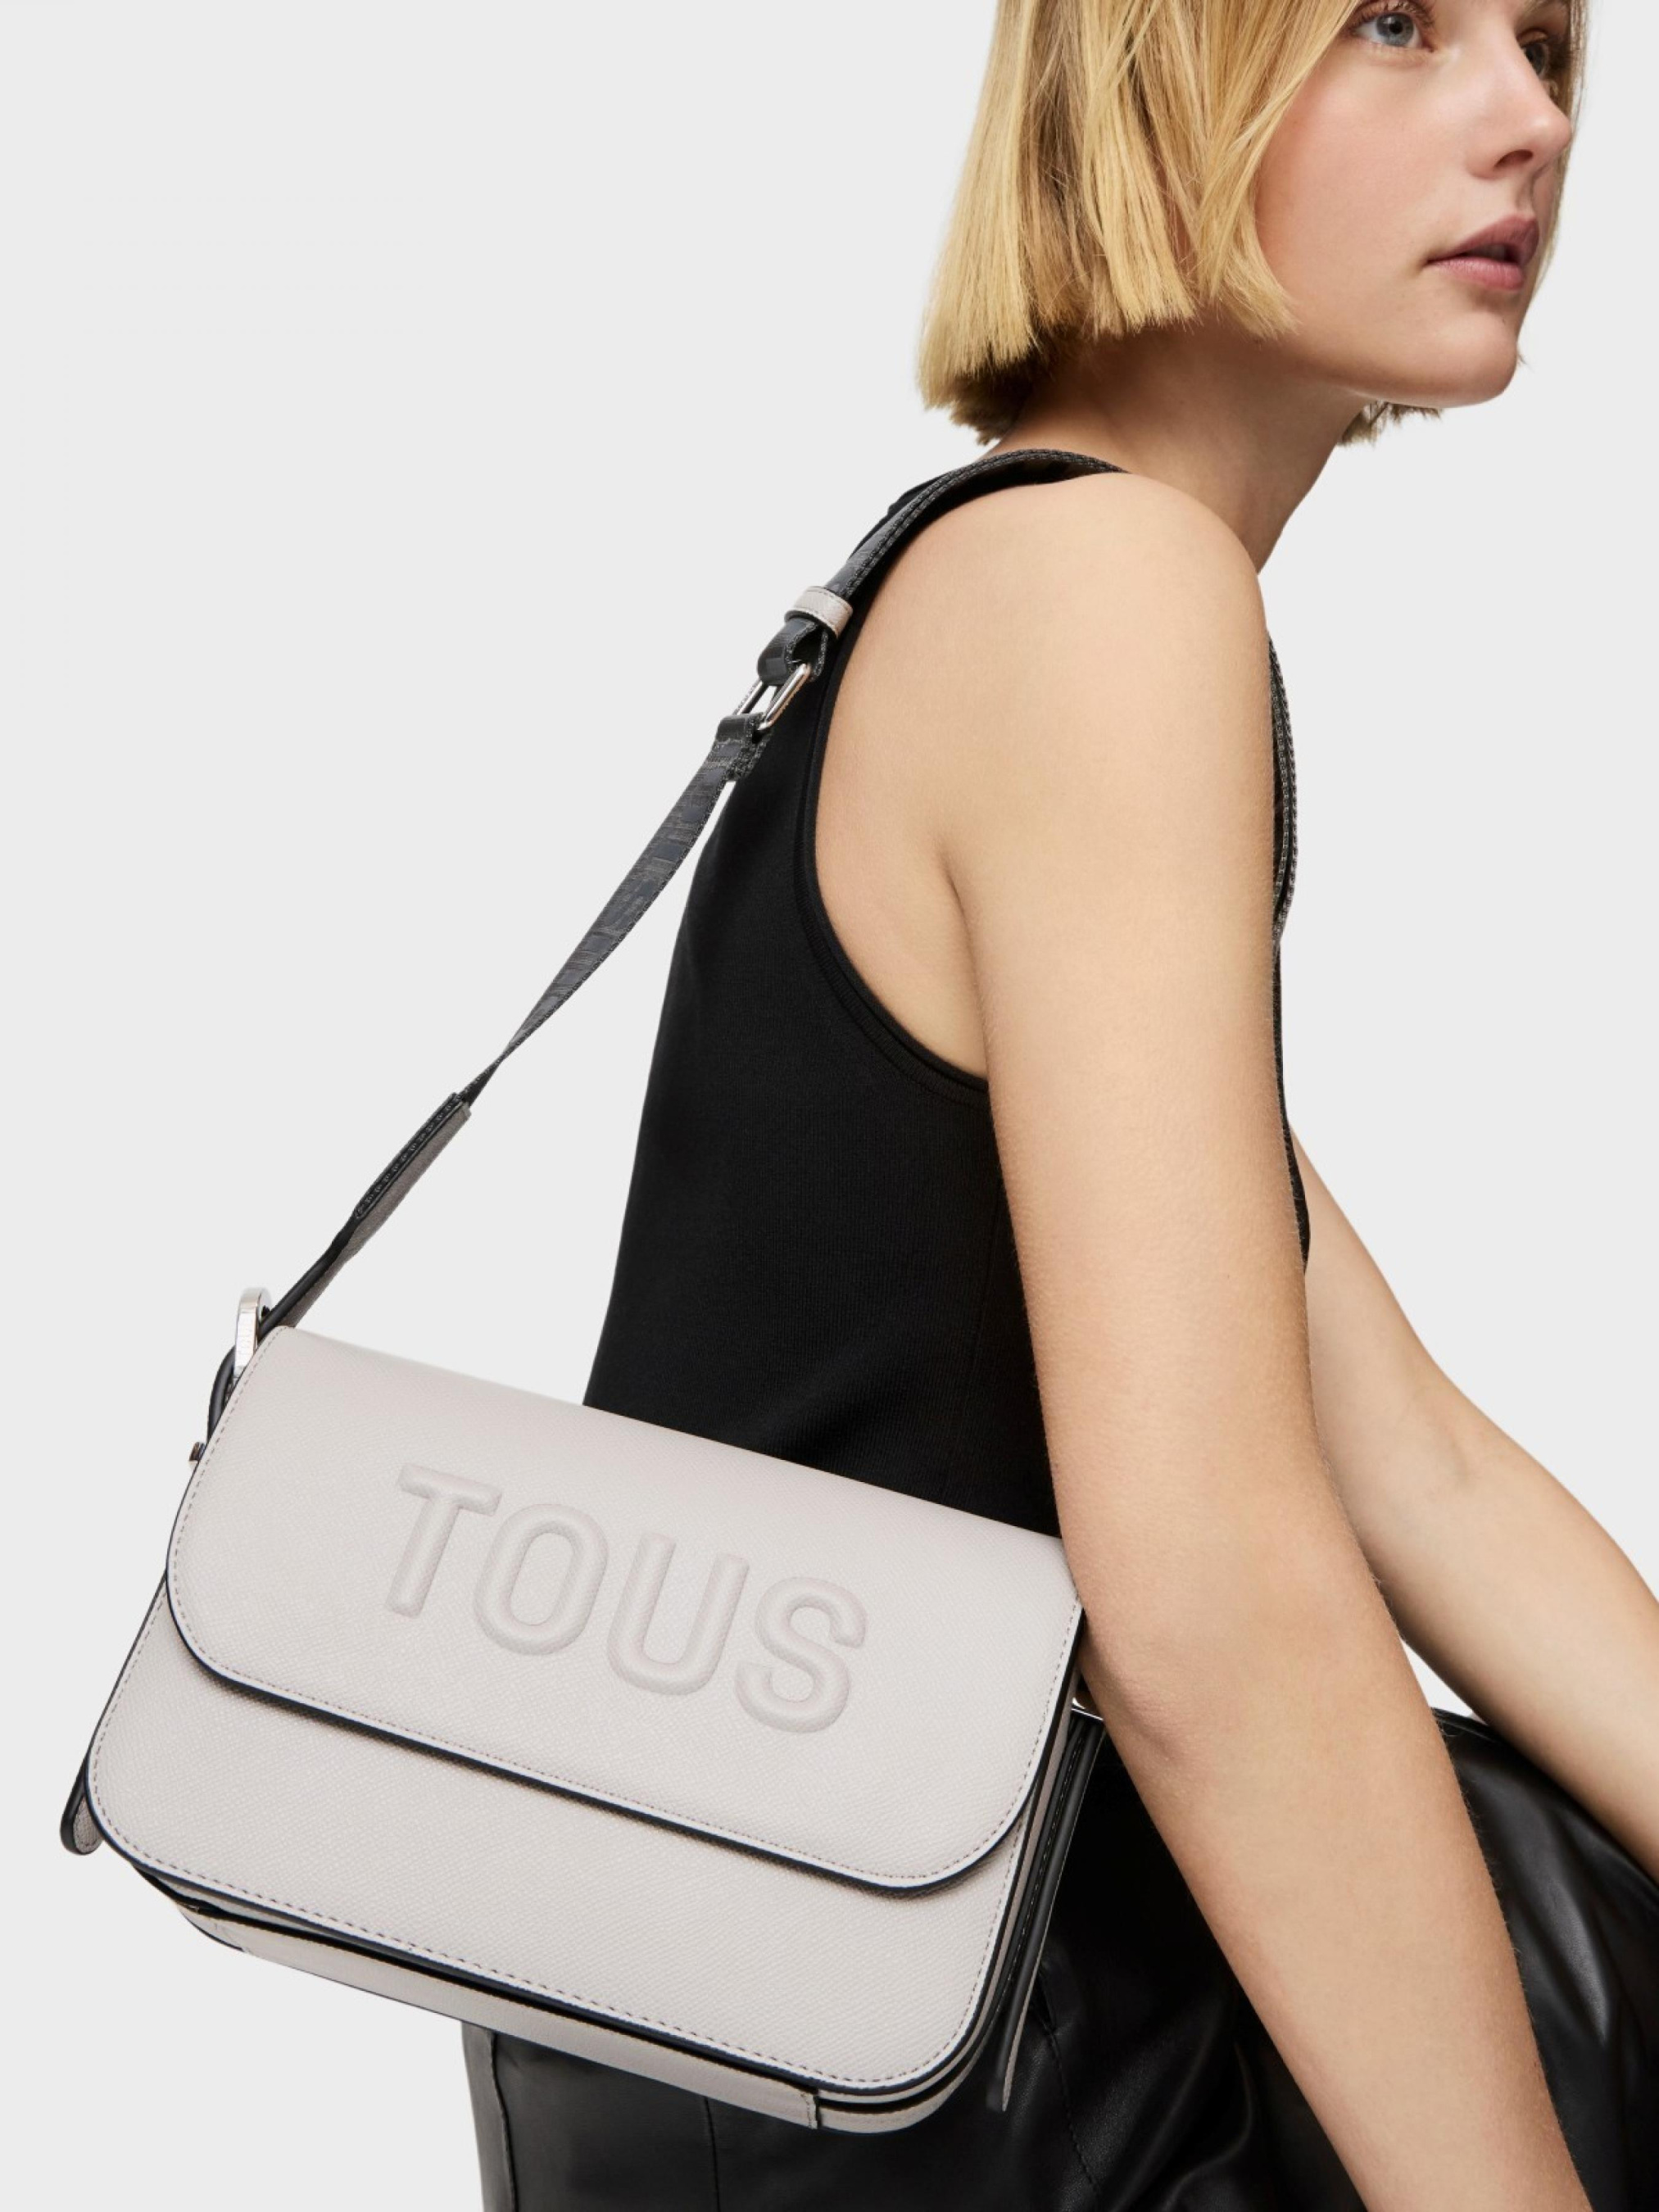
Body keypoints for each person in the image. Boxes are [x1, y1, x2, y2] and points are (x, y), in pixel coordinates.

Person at [462, 2, 1659, 2205]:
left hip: (754, 2047)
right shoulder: (1105, 591)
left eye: (1548, 39)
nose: (1531, 119)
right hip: (913, 2075)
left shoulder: (991, 588)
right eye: (1395, 21)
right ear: (1148, 71)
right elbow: (1205, 1609)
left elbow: (1417, 1471)